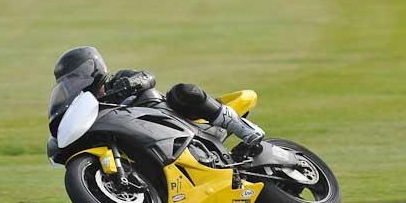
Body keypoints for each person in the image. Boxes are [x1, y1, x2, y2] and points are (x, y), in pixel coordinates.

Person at [52, 46, 264, 148]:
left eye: (77, 75)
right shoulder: (86, 108)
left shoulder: (118, 79)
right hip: (144, 140)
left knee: (182, 91)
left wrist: (131, 84)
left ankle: (242, 128)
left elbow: (147, 77)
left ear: (92, 67)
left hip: (176, 119)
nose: (75, 82)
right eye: (69, 81)